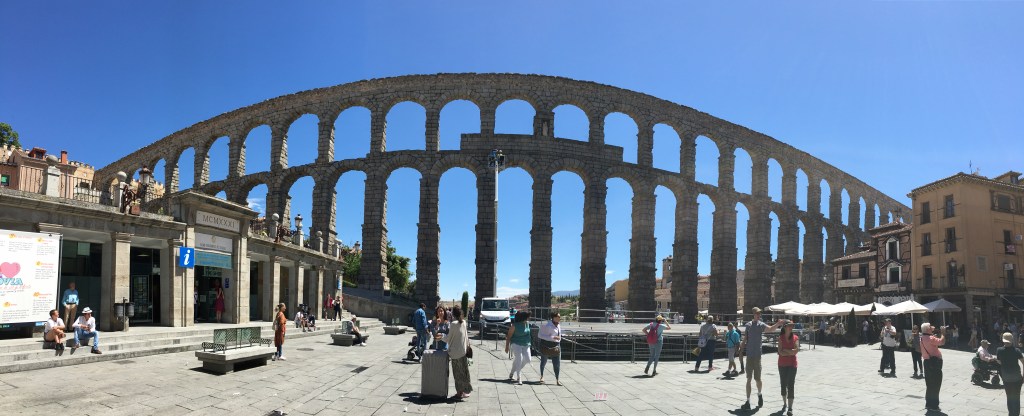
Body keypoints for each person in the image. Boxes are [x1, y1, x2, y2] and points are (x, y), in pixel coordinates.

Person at [740, 307, 785, 411]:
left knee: (758, 379)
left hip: (757, 355)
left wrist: (778, 324)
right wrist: (741, 347)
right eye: (757, 313)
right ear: (753, 314)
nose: (759, 315)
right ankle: (748, 401)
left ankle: (759, 394)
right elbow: (746, 338)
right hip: (749, 355)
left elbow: (770, 329)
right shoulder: (748, 325)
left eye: (759, 314)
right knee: (748, 378)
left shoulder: (761, 325)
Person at [445, 306, 473, 400]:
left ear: (453, 314)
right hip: (463, 351)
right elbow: (466, 336)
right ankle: (465, 390)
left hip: (455, 353)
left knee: (457, 374)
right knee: (464, 372)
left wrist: (441, 337)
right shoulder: (464, 322)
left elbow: (448, 338)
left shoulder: (453, 324)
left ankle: (459, 393)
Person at [920, 323, 946, 411]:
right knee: (936, 384)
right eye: (930, 326)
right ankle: (934, 405)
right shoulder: (931, 338)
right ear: (928, 329)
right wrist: (943, 333)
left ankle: (928, 404)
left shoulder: (922, 337)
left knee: (929, 384)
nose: (932, 327)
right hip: (935, 363)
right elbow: (942, 342)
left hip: (927, 362)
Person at [998, 332, 1024, 416]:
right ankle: (1016, 414)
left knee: (1009, 397)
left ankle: (1011, 413)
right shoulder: (1017, 351)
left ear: (1003, 340)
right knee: (1016, 397)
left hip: (1006, 378)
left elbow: (999, 362)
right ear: (1012, 340)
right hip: (1017, 378)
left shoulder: (999, 350)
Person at [777, 320, 799, 416]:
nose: (791, 327)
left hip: (792, 364)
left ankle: (790, 408)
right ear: (785, 327)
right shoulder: (780, 338)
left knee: (790, 384)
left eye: (792, 326)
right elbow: (780, 352)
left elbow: (796, 351)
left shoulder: (795, 338)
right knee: (783, 384)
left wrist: (785, 350)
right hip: (782, 364)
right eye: (789, 325)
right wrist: (790, 352)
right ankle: (784, 403)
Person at [505, 310, 532, 385]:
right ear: (523, 318)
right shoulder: (514, 326)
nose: (529, 318)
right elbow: (508, 336)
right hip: (516, 343)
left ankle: (512, 372)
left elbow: (528, 334)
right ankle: (519, 377)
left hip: (526, 343)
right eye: (528, 317)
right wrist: (507, 346)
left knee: (528, 359)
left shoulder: (527, 324)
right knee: (519, 358)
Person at [539, 312, 564, 384]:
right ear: (553, 318)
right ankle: (542, 376)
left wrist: (559, 338)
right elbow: (540, 335)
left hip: (556, 345)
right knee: (543, 361)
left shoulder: (558, 325)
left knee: (557, 363)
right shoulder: (547, 325)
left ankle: (557, 379)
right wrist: (553, 337)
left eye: (559, 317)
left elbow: (559, 335)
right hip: (546, 345)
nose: (559, 319)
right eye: (558, 317)